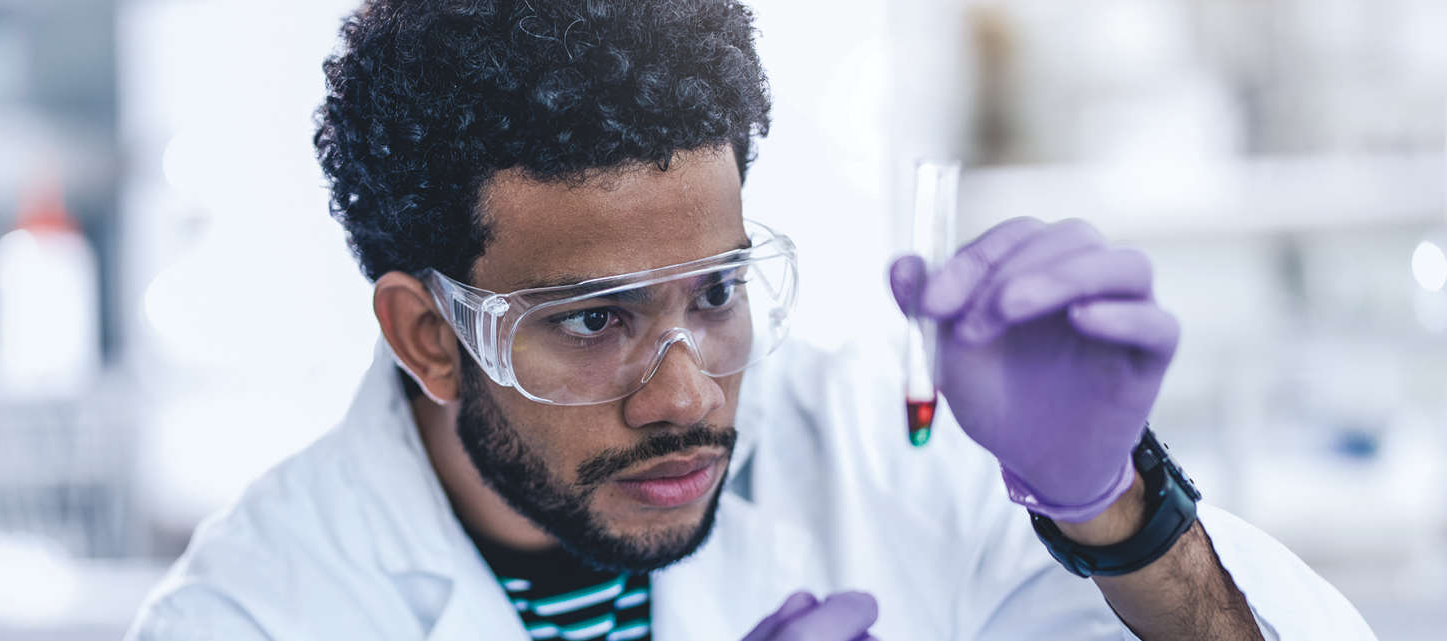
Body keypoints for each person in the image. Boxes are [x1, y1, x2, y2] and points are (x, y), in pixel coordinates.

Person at [126, 1, 1374, 639]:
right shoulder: (264, 608)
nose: (685, 392)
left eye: (715, 292)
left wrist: (1113, 509)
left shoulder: (896, 454)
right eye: (595, 320)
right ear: (428, 334)